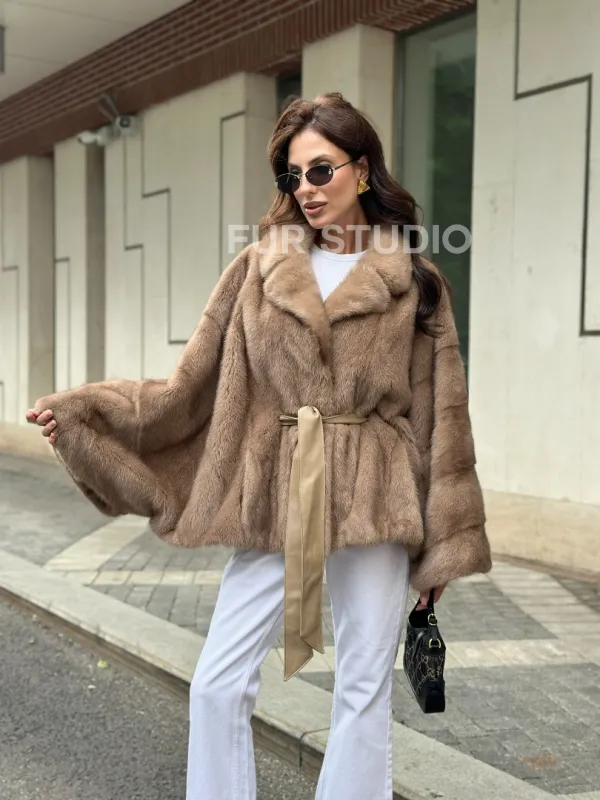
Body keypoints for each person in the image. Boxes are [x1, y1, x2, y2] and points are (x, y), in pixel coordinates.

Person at [27, 92, 492, 799]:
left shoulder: (415, 282)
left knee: (362, 687)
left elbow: (442, 419)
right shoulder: (257, 268)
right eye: (292, 175)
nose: (306, 189)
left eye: (321, 170)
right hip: (279, 486)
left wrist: (444, 547)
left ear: (362, 169)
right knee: (217, 681)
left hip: (377, 485)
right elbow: (191, 384)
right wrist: (91, 414)